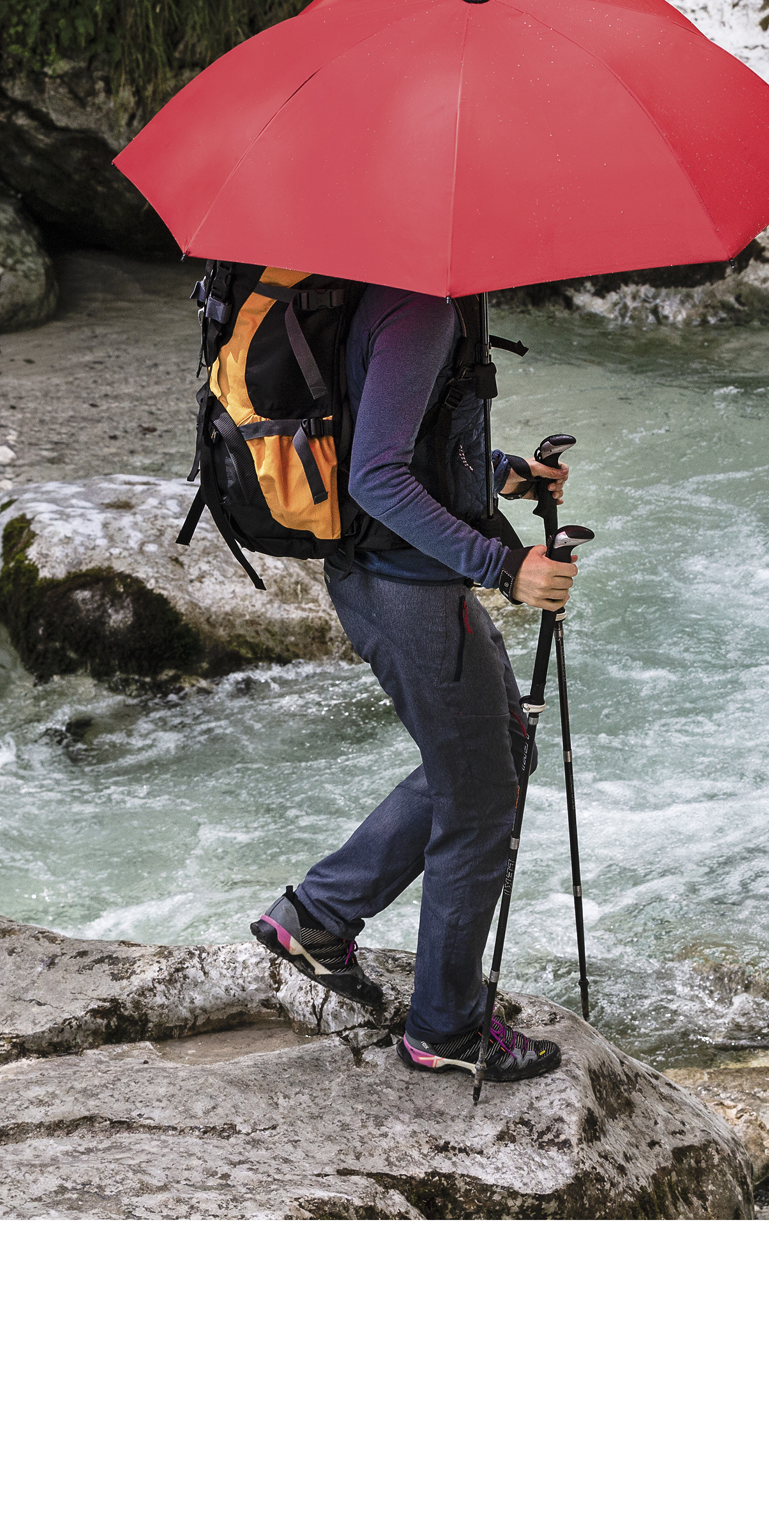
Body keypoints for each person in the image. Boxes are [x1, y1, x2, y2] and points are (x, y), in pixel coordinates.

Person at [250, 285, 578, 1082]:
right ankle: (447, 1028)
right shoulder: (424, 309)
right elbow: (376, 480)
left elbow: (397, 430)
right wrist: (506, 567)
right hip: (410, 591)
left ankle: (319, 914)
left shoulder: (414, 294)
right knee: (479, 801)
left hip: (394, 579)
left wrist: (503, 476)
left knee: (497, 747)